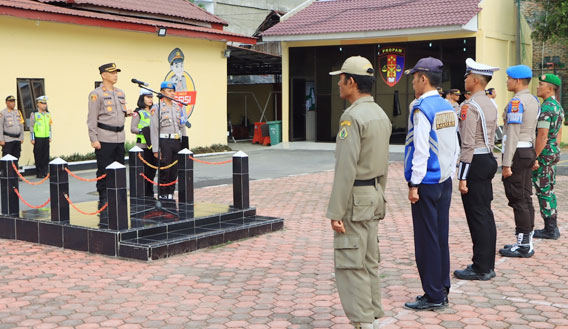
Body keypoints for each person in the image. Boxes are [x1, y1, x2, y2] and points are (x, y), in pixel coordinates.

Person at [326, 56, 391, 329]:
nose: (339, 84)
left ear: (351, 82)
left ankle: (363, 321)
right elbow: (385, 163)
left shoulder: (351, 117)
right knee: (368, 260)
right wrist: (380, 195)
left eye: (341, 79)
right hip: (374, 194)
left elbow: (345, 169)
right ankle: (373, 314)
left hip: (355, 199)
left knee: (351, 263)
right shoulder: (380, 113)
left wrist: (335, 211)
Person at [403, 57, 459, 311]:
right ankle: (442, 287)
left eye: (414, 77)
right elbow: (453, 145)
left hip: (426, 181)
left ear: (423, 79)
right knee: (440, 237)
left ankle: (433, 294)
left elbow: (420, 149)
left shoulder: (421, 108)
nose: (413, 82)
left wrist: (414, 183)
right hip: (444, 180)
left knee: (426, 240)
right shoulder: (447, 106)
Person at [454, 58, 499, 281]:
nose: (464, 80)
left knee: (477, 216)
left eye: (466, 77)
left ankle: (480, 266)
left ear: (474, 80)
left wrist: (462, 177)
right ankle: (487, 264)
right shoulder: (490, 103)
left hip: (475, 163)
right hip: (488, 158)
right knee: (486, 214)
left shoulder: (469, 106)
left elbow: (467, 143)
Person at [499, 65, 539, 258]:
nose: (507, 81)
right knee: (525, 196)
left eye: (508, 78)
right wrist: (534, 156)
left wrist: (506, 163)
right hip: (527, 150)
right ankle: (527, 239)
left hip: (517, 152)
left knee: (517, 198)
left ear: (517, 80)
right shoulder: (532, 100)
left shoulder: (517, 102)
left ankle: (523, 244)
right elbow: (532, 131)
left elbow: (513, 133)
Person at [87, 63, 130, 209]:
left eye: (117, 72)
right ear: (104, 75)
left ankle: (118, 194)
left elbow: (119, 113)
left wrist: (127, 112)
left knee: (119, 168)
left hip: (119, 137)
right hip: (104, 138)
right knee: (104, 169)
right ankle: (104, 196)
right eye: (112, 73)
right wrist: (94, 138)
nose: (115, 75)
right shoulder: (96, 94)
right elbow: (92, 118)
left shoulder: (120, 93)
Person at [532, 74, 564, 239]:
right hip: (552, 151)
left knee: (543, 190)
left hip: (544, 154)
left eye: (541, 84)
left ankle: (550, 229)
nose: (538, 87)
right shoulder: (557, 106)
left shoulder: (546, 108)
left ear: (550, 88)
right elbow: (558, 133)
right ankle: (551, 227)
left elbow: (542, 135)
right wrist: (555, 148)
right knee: (549, 188)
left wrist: (535, 156)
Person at [150, 81, 187, 200]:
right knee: (165, 169)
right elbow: (154, 129)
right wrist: (156, 149)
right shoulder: (157, 108)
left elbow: (182, 126)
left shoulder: (177, 107)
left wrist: (185, 145)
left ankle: (170, 192)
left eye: (173, 91)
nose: (172, 93)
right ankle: (162, 193)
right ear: (162, 92)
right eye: (169, 91)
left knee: (174, 170)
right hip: (164, 142)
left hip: (176, 141)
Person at [131, 89, 157, 197]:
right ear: (142, 98)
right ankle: (144, 194)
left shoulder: (154, 111)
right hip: (143, 146)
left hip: (153, 146)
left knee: (152, 172)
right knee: (145, 172)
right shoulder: (138, 113)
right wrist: (143, 131)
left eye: (151, 97)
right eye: (148, 97)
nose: (150, 99)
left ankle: (150, 193)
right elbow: (133, 128)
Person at [30, 95, 52, 178]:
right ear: (38, 104)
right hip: (38, 137)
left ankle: (45, 172)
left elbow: (49, 126)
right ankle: (39, 173)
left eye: (45, 103)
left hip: (46, 137)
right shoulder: (34, 114)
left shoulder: (48, 114)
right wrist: (32, 138)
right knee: (38, 155)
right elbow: (31, 127)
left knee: (46, 155)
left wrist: (50, 136)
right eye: (42, 103)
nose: (44, 105)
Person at [0, 95, 24, 161]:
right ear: (6, 103)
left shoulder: (18, 112)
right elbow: (0, 126)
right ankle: (6, 171)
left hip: (17, 139)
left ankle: (15, 171)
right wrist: (1, 139)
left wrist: (22, 137)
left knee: (16, 157)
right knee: (7, 159)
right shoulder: (3, 113)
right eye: (11, 101)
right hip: (8, 140)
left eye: (14, 101)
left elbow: (21, 125)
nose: (13, 103)